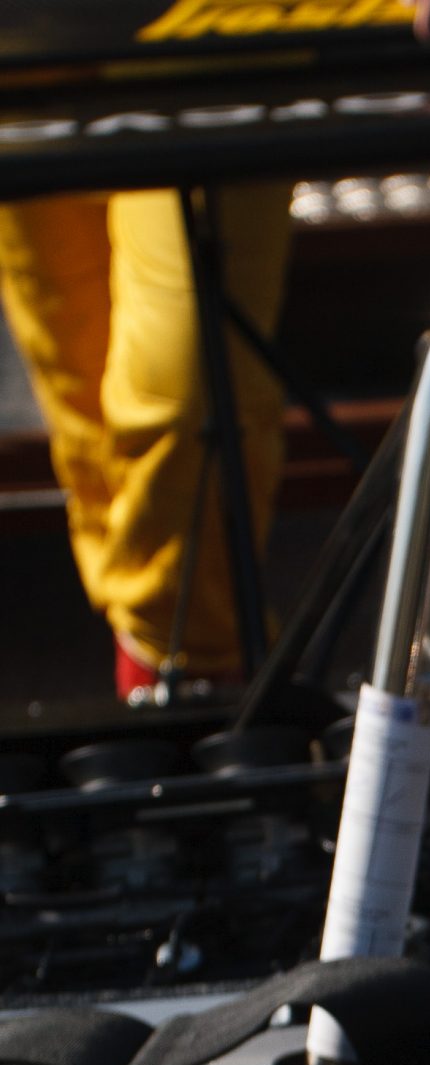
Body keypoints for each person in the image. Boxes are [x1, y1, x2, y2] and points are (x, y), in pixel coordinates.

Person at [0, 185, 293, 699]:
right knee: (84, 407)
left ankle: (184, 662)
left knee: (191, 399)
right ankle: (156, 651)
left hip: (194, 111)